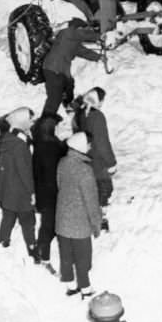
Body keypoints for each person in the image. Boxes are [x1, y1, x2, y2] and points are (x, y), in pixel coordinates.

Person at [55, 132, 102, 299]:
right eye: (89, 144)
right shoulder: (85, 170)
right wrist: (96, 224)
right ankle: (85, 289)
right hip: (79, 222)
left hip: (62, 218)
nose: (90, 147)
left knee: (66, 254)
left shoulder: (62, 162)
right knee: (83, 258)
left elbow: (60, 184)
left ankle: (70, 285)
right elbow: (91, 201)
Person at [0, 106, 38, 260]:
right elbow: (24, 170)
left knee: (8, 217)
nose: (32, 122)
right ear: (22, 121)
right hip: (20, 191)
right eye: (30, 119)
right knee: (28, 220)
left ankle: (4, 242)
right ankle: (32, 249)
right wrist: (32, 191)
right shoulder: (19, 144)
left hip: (9, 189)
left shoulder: (9, 138)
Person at [74, 87, 116, 232]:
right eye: (102, 100)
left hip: (86, 156)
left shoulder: (82, 113)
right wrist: (111, 162)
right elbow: (102, 141)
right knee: (104, 189)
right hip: (98, 160)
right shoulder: (97, 116)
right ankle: (101, 221)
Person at [42, 17, 101, 116]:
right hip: (52, 69)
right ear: (76, 28)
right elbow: (82, 34)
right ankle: (46, 122)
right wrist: (99, 36)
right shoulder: (66, 34)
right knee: (55, 97)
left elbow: (84, 52)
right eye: (83, 28)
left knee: (69, 84)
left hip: (61, 71)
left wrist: (99, 57)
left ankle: (69, 106)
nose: (85, 30)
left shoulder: (73, 42)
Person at [32, 112, 67, 264]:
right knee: (50, 226)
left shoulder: (40, 145)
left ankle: (42, 254)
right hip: (53, 193)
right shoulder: (53, 146)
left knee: (48, 225)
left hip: (44, 193)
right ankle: (41, 254)